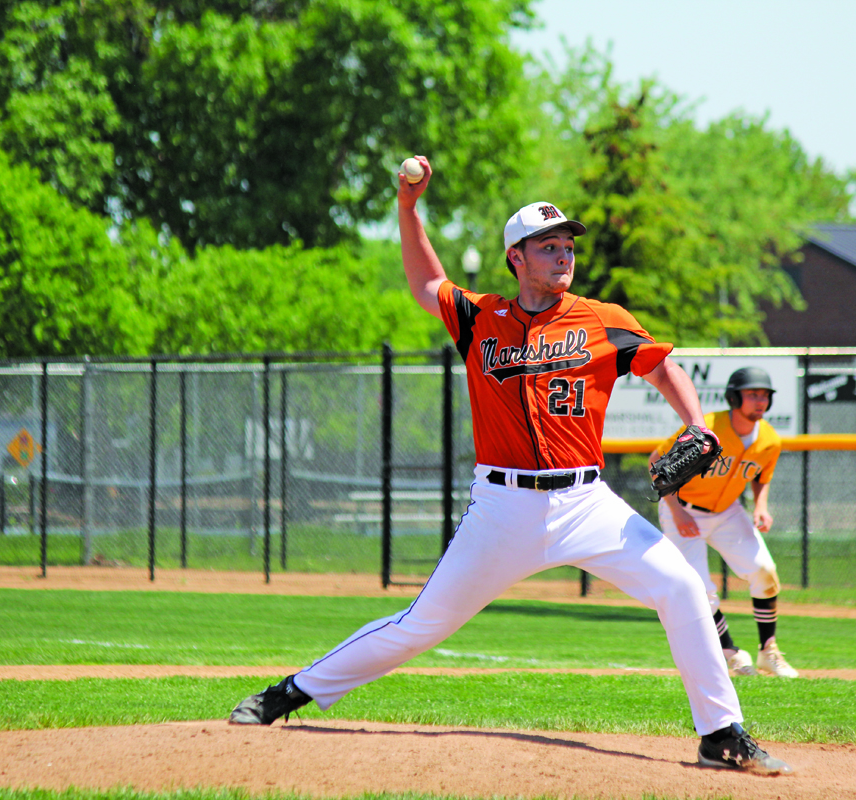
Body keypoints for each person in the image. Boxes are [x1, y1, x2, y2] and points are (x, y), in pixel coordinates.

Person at [229, 156, 792, 775]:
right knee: (421, 625)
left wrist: (694, 422)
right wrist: (408, 208)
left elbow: (662, 365)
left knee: (683, 586)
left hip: (587, 503)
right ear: (515, 258)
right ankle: (292, 692)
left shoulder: (601, 318)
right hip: (502, 506)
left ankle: (721, 732)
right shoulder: (482, 318)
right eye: (546, 246)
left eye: (567, 246)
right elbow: (425, 284)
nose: (563, 256)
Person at [649, 367, 798, 679]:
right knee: (699, 588)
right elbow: (655, 461)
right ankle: (731, 652)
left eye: (765, 395)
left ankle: (768, 650)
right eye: (753, 394)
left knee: (764, 570)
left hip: (727, 511)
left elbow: (761, 475)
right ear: (734, 397)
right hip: (682, 509)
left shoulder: (770, 439)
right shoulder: (708, 428)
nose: (760, 401)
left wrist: (760, 505)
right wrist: (677, 512)